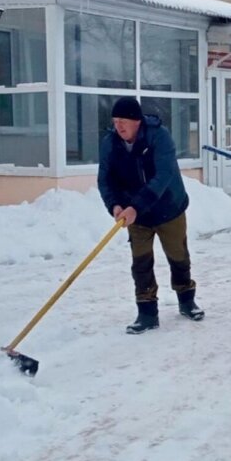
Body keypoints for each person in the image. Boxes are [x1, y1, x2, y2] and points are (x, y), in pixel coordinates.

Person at [97, 96, 203, 334]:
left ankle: (187, 300)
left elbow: (163, 176)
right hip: (136, 214)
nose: (119, 126)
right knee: (141, 262)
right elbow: (105, 179)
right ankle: (147, 313)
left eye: (123, 121)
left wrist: (136, 206)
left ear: (136, 121)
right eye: (115, 121)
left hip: (168, 207)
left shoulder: (159, 136)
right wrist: (115, 205)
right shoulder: (110, 143)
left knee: (178, 256)